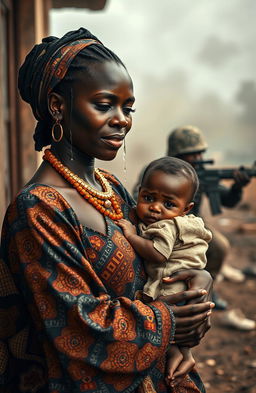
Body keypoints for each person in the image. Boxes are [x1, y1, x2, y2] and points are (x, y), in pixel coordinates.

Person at [0, 28, 214, 393]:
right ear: (57, 105)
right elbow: (78, 328)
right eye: (104, 105)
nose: (122, 120)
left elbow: (158, 256)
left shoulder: (110, 189)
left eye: (127, 108)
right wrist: (170, 321)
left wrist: (198, 284)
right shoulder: (38, 210)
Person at [117, 156, 212, 387]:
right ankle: (184, 355)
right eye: (148, 198)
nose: (155, 208)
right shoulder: (169, 219)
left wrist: (130, 236)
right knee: (178, 338)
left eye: (168, 204)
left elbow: (158, 254)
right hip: (183, 280)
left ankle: (179, 355)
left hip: (172, 281)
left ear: (186, 209)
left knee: (172, 328)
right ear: (139, 192)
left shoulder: (167, 226)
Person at [166, 125, 255, 329]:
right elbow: (138, 197)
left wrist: (238, 186)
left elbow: (228, 201)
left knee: (219, 247)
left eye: (200, 152)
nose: (197, 158)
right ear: (177, 154)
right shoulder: (160, 171)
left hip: (194, 224)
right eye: (191, 154)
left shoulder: (202, 174)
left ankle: (207, 291)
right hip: (165, 224)